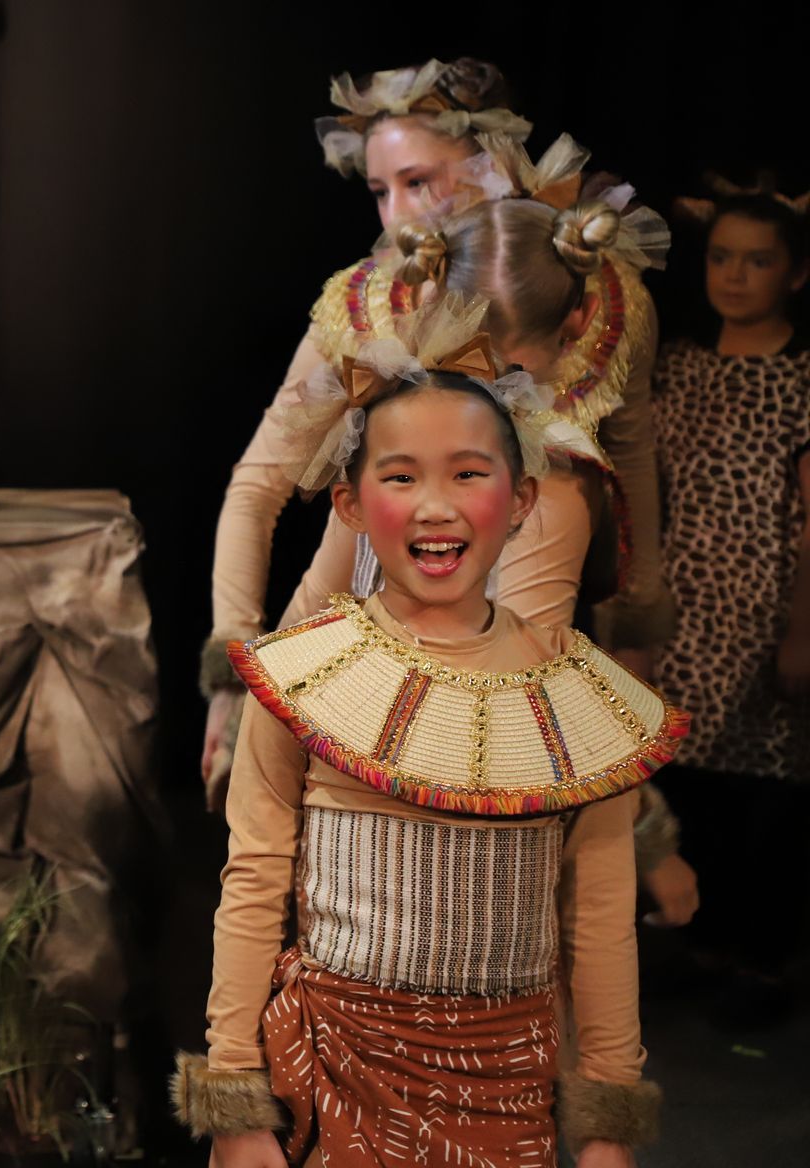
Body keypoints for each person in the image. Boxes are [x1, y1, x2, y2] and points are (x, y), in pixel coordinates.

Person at [176, 291, 679, 1166]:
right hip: (331, 1078)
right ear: (349, 505)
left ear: (521, 500)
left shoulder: (584, 708)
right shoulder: (297, 682)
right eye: (401, 476)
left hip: (505, 1088)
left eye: (469, 475)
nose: (435, 506)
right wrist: (235, 1100)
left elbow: (599, 924)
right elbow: (253, 886)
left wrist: (604, 1126)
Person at [204, 64, 671, 802]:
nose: (396, 217)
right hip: (378, 636)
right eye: (380, 191)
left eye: (419, 183)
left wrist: (636, 629)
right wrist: (236, 667)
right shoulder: (365, 308)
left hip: (526, 645)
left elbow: (635, 455)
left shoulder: (600, 301)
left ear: (493, 168)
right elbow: (261, 483)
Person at [652, 187, 810, 1021]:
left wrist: (799, 630)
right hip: (686, 607)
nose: (736, 276)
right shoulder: (680, 364)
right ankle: (705, 943)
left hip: (767, 607)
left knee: (768, 793)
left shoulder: (801, 378)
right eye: (721, 256)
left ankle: (762, 962)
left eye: (758, 259)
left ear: (796, 273)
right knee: (692, 784)